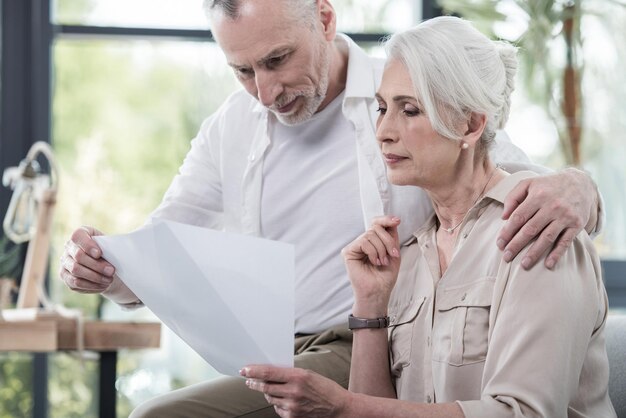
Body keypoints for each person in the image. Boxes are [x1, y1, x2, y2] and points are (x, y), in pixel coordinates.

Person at [59, 1, 603, 417]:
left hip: (364, 341)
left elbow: (497, 170)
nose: (265, 91)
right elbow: (164, 246)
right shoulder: (230, 126)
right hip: (280, 348)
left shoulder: (407, 83)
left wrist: (581, 188)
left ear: (323, 17)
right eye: (243, 71)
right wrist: (106, 265)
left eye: (277, 60)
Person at [241, 16, 616, 417]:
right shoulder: (410, 255)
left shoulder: (538, 232)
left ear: (470, 125)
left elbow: (522, 413)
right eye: (382, 108)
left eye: (410, 110)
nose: (383, 130)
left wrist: (341, 406)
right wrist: (369, 306)